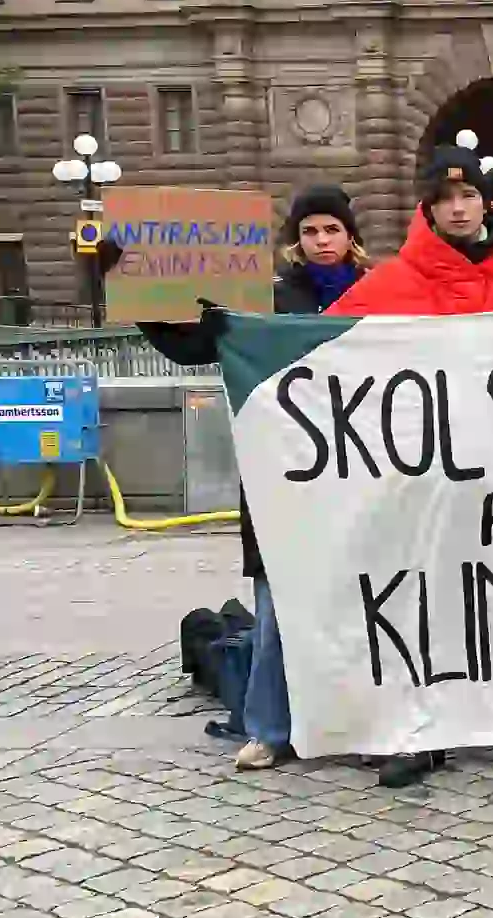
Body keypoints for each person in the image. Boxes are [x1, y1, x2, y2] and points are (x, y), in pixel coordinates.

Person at [329, 140, 493, 788]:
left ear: (486, 202)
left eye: (467, 196)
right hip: (421, 479)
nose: (458, 208)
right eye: (444, 198)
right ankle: (419, 730)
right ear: (427, 209)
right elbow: (312, 351)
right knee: (421, 606)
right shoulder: (390, 284)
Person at [115, 186, 370, 773]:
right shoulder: (265, 299)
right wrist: (142, 294)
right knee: (277, 604)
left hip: (362, 473)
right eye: (311, 232)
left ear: (350, 236)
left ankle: (360, 721)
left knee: (361, 603)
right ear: (295, 241)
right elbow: (196, 341)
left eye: (332, 230)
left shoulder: (379, 296)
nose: (322, 242)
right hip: (283, 473)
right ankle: (268, 727)